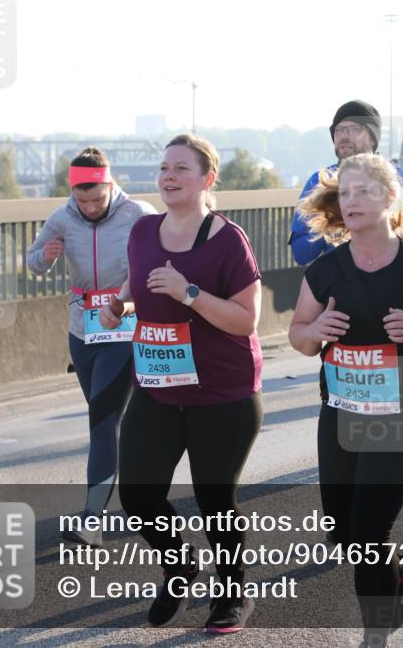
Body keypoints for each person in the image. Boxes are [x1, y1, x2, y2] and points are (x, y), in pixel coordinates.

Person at [289, 153, 403, 648]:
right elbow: (299, 337)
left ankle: (374, 636)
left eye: (364, 192)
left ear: (390, 198)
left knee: (370, 532)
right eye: (345, 193)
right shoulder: (326, 270)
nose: (351, 201)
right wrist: (315, 329)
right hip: (343, 412)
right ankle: (402, 571)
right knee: (344, 532)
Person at [105, 135, 262, 633]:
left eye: (180, 169)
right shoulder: (143, 230)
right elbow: (140, 278)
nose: (168, 176)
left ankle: (233, 593)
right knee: (137, 496)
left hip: (222, 392)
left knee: (214, 501)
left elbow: (246, 320)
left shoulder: (227, 239)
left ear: (207, 179)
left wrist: (188, 292)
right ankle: (180, 565)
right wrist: (120, 303)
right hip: (156, 388)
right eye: (163, 168)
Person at [27, 147, 155, 546]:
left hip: (124, 325)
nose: (90, 208)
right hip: (82, 331)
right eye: (82, 201)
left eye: (97, 199)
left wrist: (130, 299)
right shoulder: (62, 217)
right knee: (107, 419)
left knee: (101, 420)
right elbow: (32, 262)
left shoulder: (138, 214)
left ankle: (92, 520)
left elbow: (161, 260)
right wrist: (45, 257)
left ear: (111, 184)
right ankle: (138, 480)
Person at [289, 100, 403, 265]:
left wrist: (398, 238)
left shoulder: (400, 176)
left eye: (355, 129)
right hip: (342, 276)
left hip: (393, 274)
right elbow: (301, 255)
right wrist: (329, 224)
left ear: (373, 138)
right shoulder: (320, 180)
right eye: (339, 130)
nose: (345, 136)